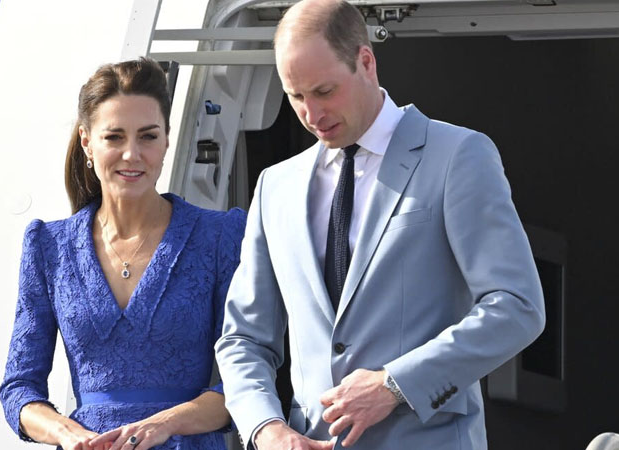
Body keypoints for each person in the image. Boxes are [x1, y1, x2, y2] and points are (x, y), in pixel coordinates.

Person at [214, 1, 546, 449]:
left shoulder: (457, 155)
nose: (311, 114)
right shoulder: (275, 187)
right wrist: (266, 429)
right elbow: (243, 339)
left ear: (366, 62)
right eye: (296, 97)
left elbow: (517, 306)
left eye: (324, 91)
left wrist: (394, 384)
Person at [0, 58, 245, 450]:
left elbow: (246, 380)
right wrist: (66, 432)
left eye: (148, 136)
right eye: (114, 137)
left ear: (168, 139)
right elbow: (18, 388)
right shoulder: (49, 247)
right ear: (87, 142)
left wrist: (167, 423)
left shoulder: (220, 236)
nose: (132, 154)